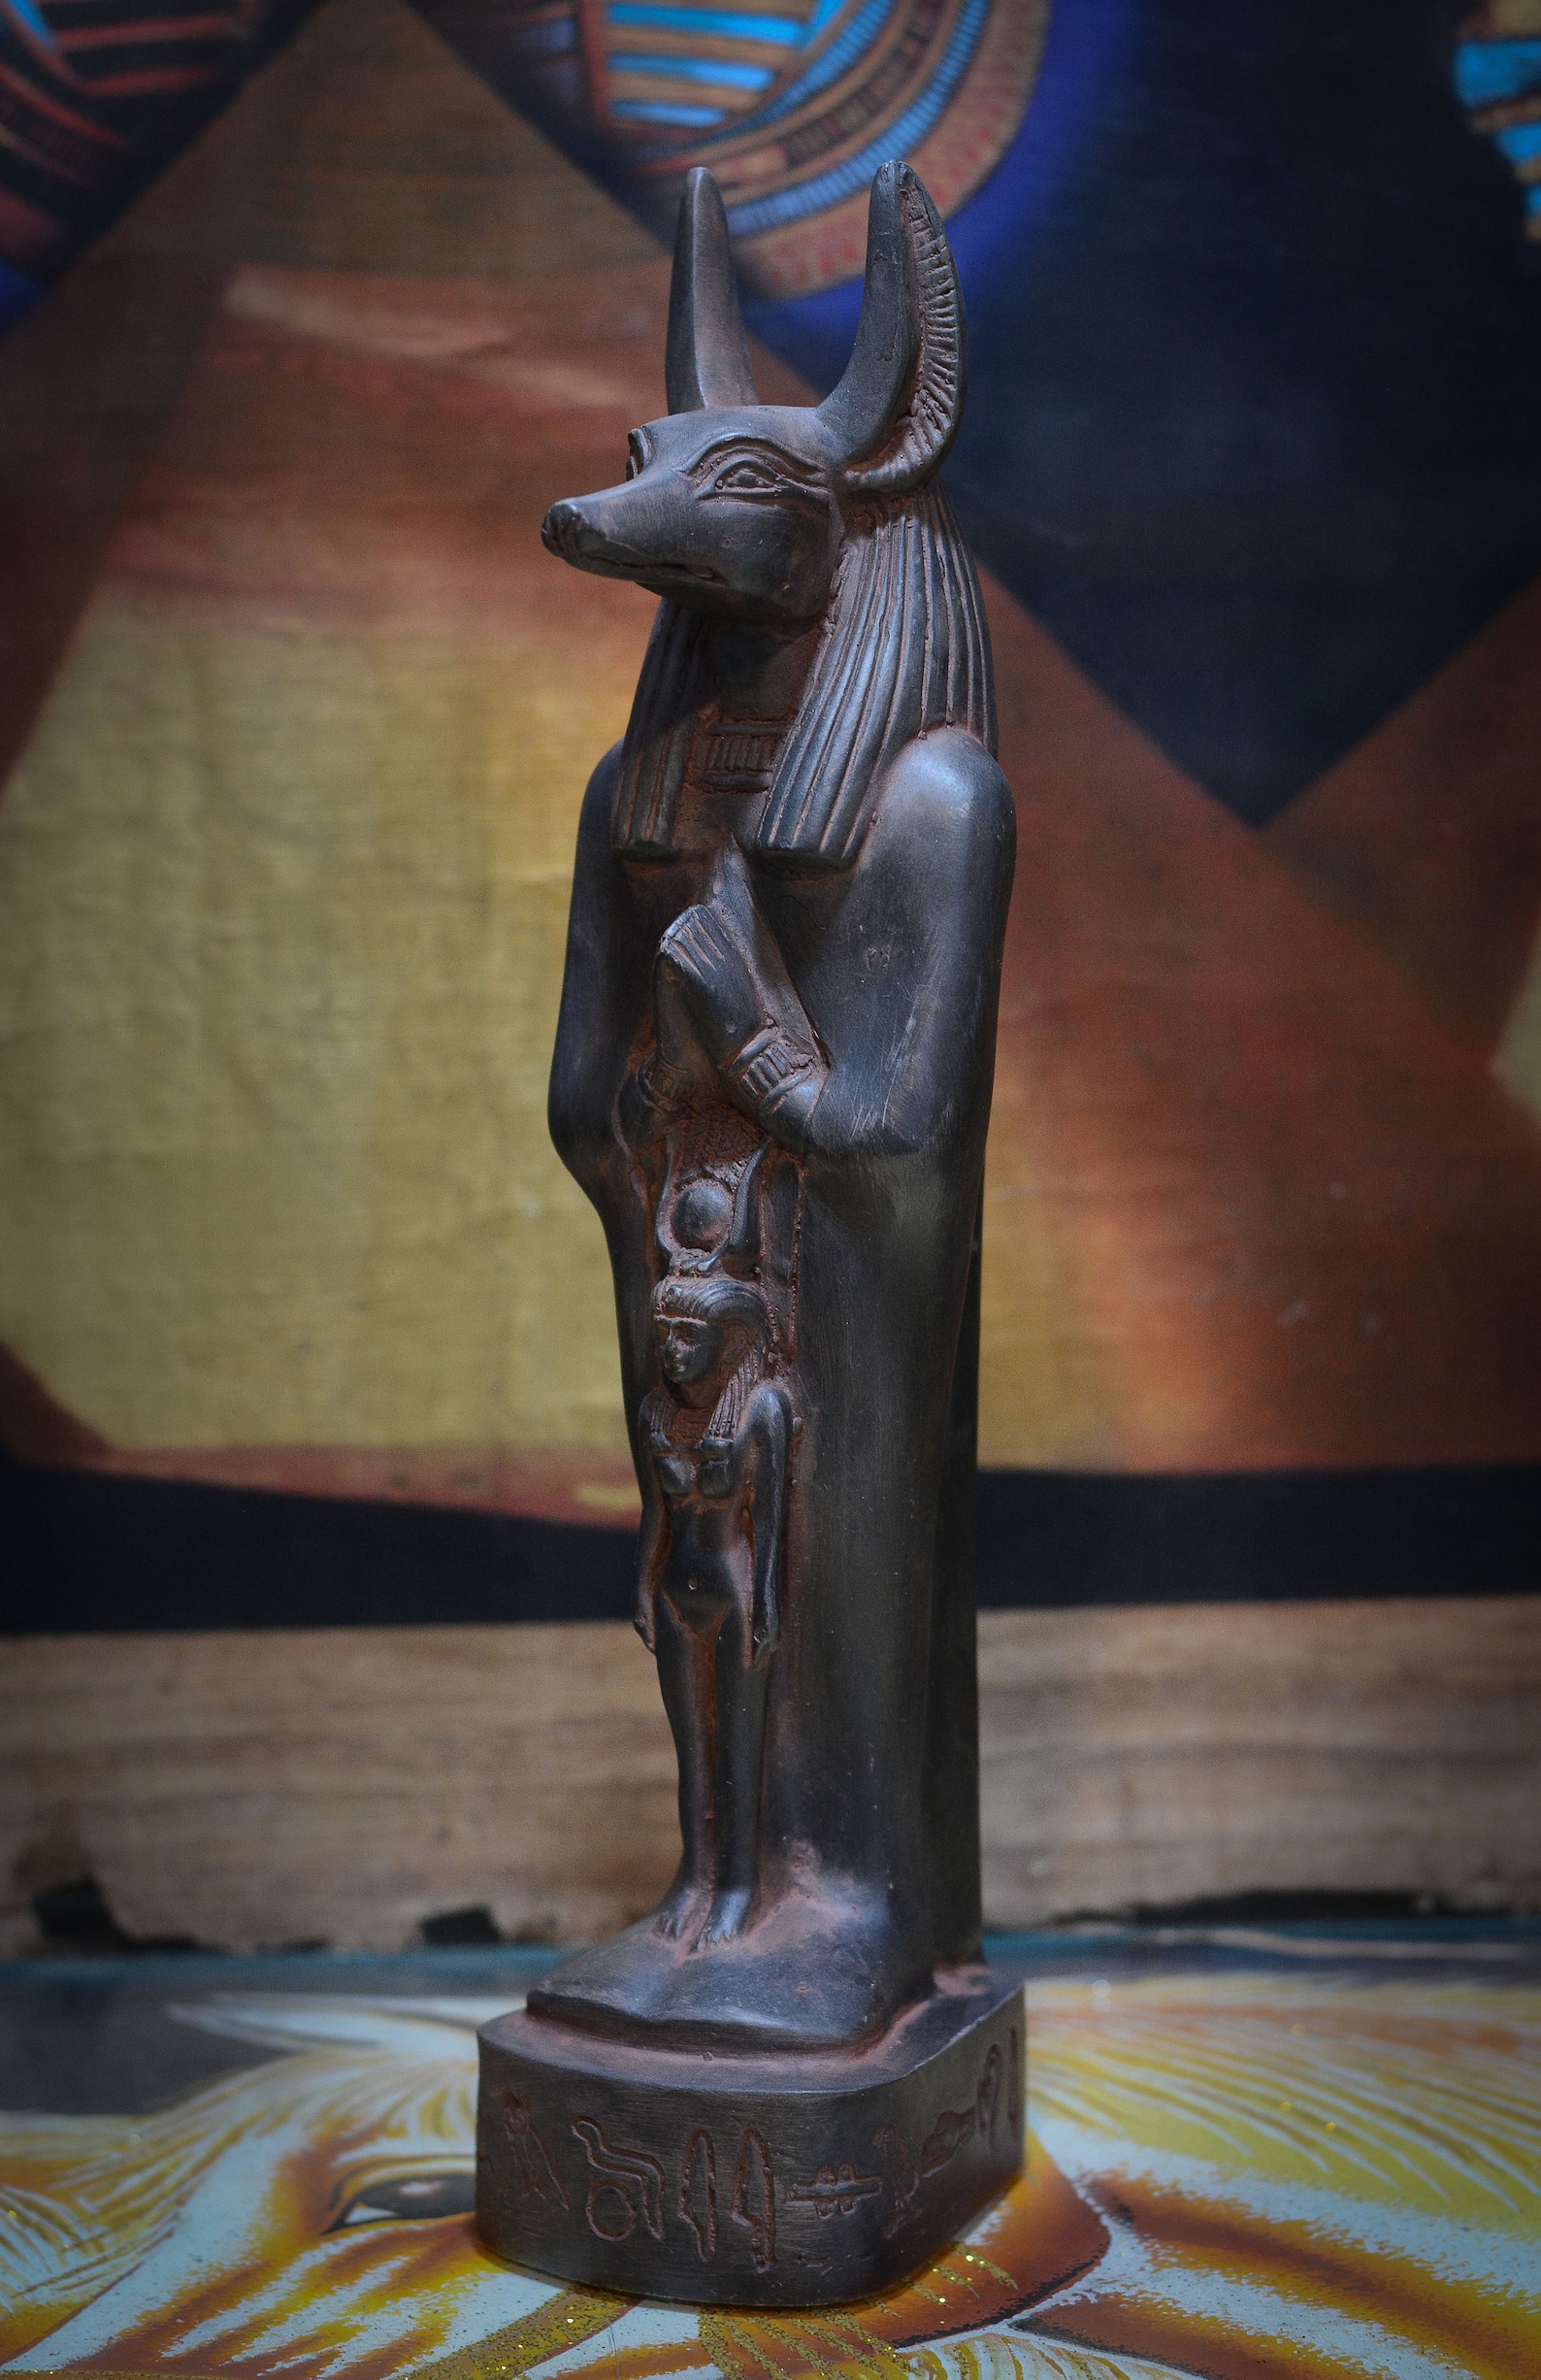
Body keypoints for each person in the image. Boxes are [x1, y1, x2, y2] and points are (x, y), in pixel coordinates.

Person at [637, 1267, 791, 1951]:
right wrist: (640, 1590)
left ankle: (736, 1888)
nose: (671, 1349)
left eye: (687, 1335)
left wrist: (766, 1605)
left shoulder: (760, 1409)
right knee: (692, 1755)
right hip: (675, 1592)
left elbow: (773, 1523)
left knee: (737, 1749)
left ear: (725, 1342)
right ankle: (693, 1878)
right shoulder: (657, 1412)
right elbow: (655, 1516)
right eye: (664, 1334)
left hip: (733, 1591)